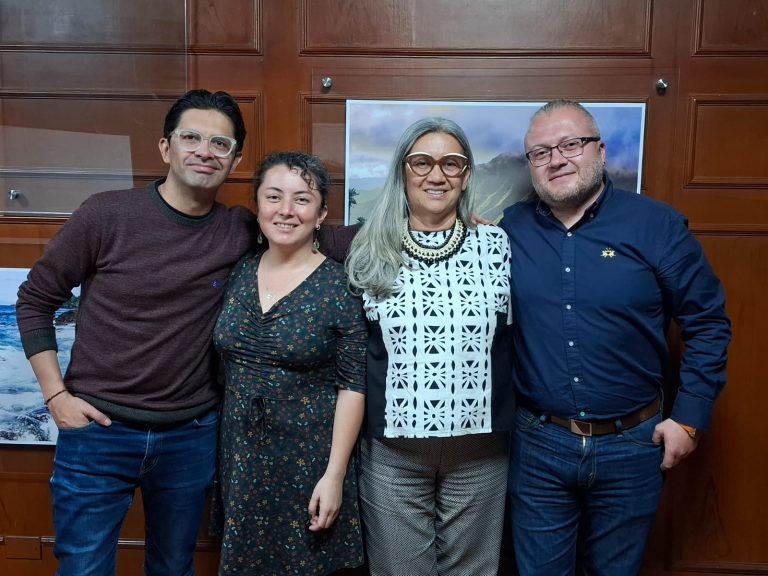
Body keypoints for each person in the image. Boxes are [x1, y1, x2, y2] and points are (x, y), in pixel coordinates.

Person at [15, 89, 255, 576]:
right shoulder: (106, 215)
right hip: (98, 432)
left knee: (173, 567)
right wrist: (55, 394)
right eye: (191, 137)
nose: (205, 151)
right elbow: (35, 300)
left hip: (191, 435)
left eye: (220, 143)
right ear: (166, 148)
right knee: (83, 569)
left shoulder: (240, 229)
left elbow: (320, 237)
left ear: (235, 160)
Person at [499, 99, 732, 575]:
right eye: (540, 152)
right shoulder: (508, 230)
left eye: (570, 144)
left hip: (634, 444)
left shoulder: (657, 225)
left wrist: (688, 419)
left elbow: (707, 323)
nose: (556, 159)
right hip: (539, 444)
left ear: (600, 151)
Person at [346, 117, 514, 575]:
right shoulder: (368, 247)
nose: (436, 175)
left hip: (479, 450)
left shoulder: (497, 244)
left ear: (466, 176)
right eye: (421, 162)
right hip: (393, 451)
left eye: (452, 164)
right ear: (402, 170)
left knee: (473, 571)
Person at [213, 151, 367, 575]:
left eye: (302, 199)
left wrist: (334, 475)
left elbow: (353, 387)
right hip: (240, 458)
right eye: (274, 196)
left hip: (311, 461)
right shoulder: (239, 271)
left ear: (321, 214)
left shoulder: (339, 286)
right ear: (257, 205)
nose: (285, 210)